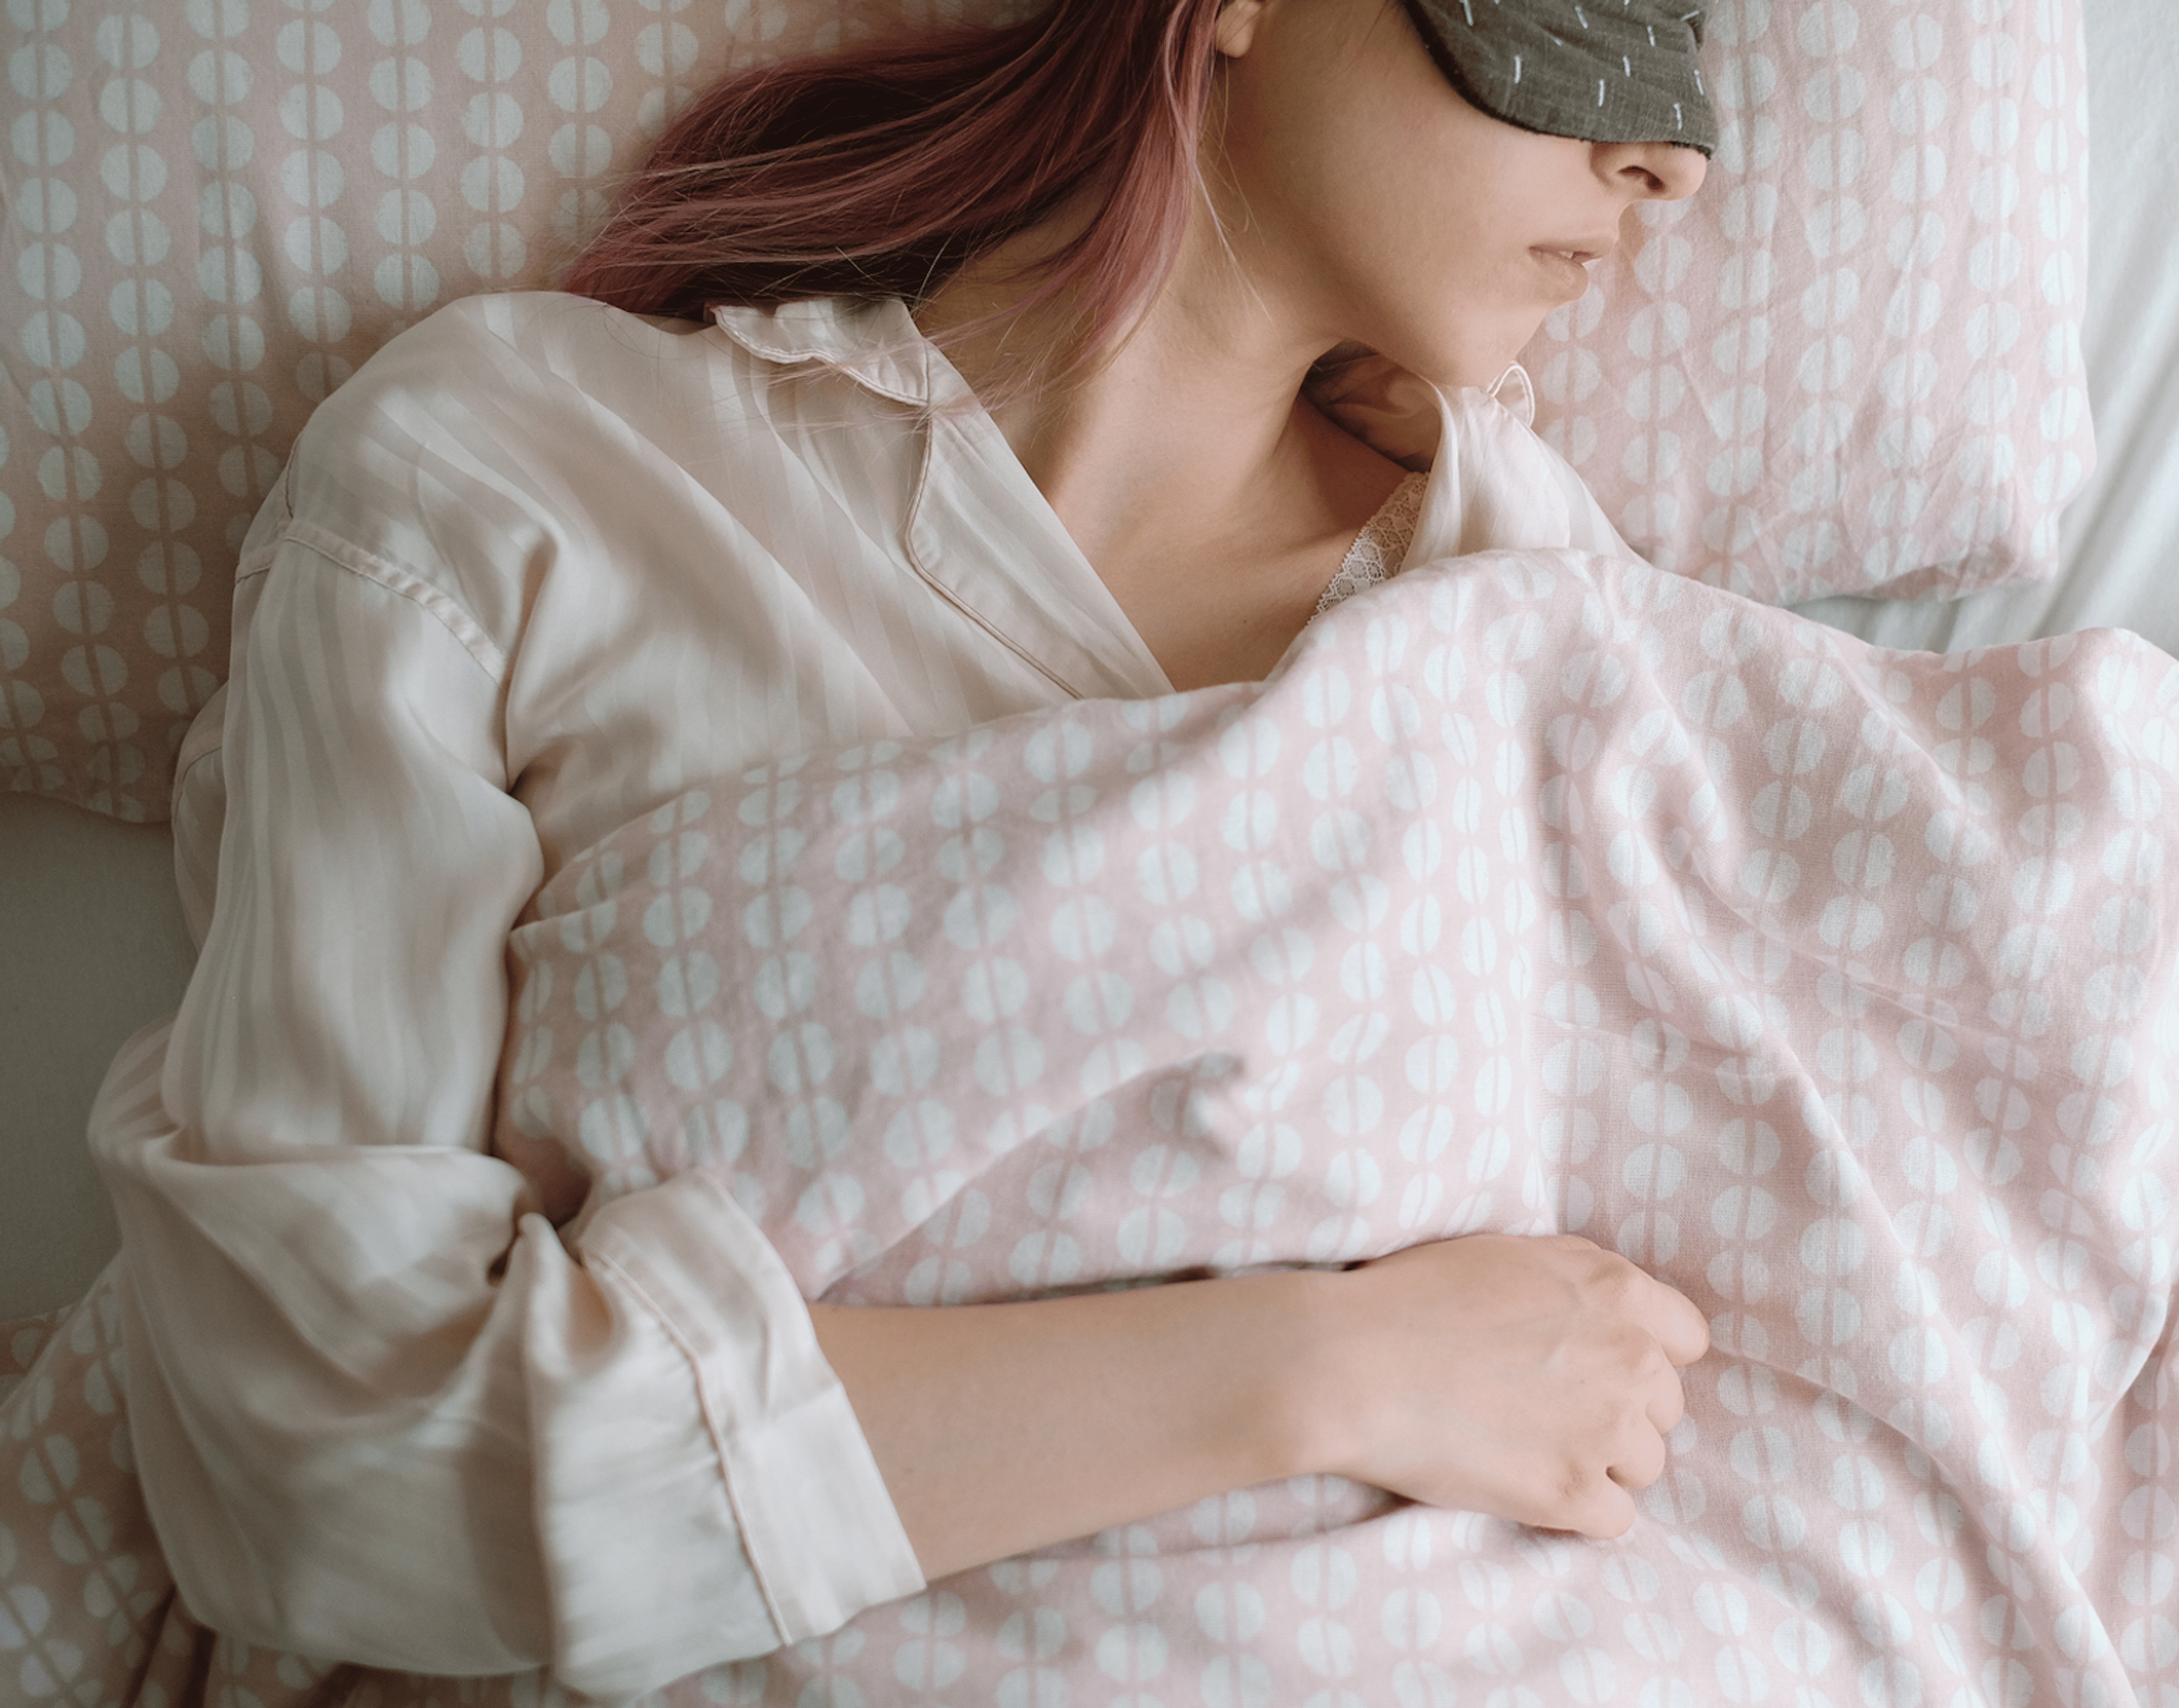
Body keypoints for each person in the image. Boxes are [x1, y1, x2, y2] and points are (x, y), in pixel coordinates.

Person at [82, 0, 1719, 1694]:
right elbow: (319, 1460)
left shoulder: (1531, 590)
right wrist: (1324, 1366)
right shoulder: (513, 474)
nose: (1670, 158)